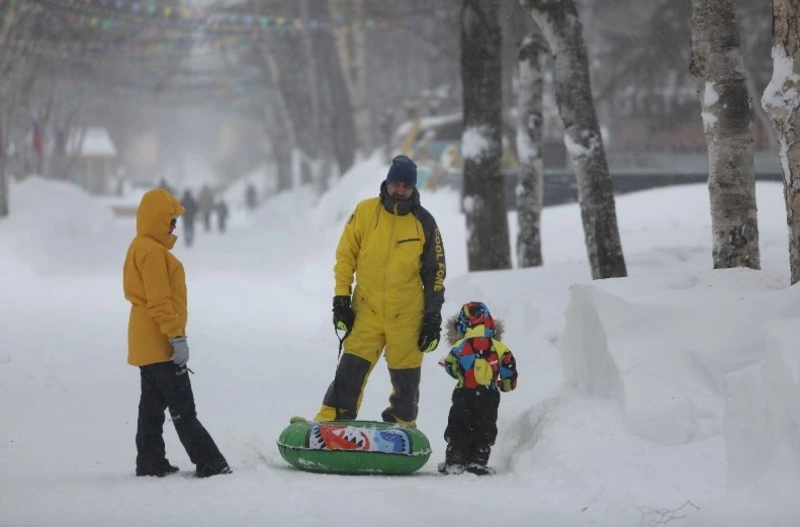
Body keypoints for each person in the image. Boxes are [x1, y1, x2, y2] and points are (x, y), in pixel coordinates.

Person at [314, 154, 446, 426]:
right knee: (350, 372)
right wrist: (341, 298)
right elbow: (345, 257)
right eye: (395, 184)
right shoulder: (364, 211)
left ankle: (401, 425)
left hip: (407, 315)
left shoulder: (425, 223)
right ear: (387, 183)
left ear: (414, 188)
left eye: (406, 186)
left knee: (406, 383)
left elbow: (436, 273)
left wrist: (432, 316)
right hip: (367, 311)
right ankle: (332, 420)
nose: (400, 190)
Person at [123, 188, 232, 479]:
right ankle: (210, 462)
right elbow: (159, 301)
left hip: (145, 344)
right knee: (183, 408)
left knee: (151, 407)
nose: (173, 228)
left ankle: (149, 460)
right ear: (156, 219)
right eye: (170, 221)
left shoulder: (138, 246)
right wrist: (176, 337)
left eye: (175, 222)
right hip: (161, 344)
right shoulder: (154, 253)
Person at [438, 301, 518, 476]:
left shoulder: (460, 347)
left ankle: (455, 461)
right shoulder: (500, 348)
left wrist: (459, 374)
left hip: (463, 393)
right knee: (484, 426)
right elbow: (509, 372)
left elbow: (451, 366)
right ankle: (478, 462)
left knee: (459, 424)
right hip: (489, 395)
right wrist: (505, 385)